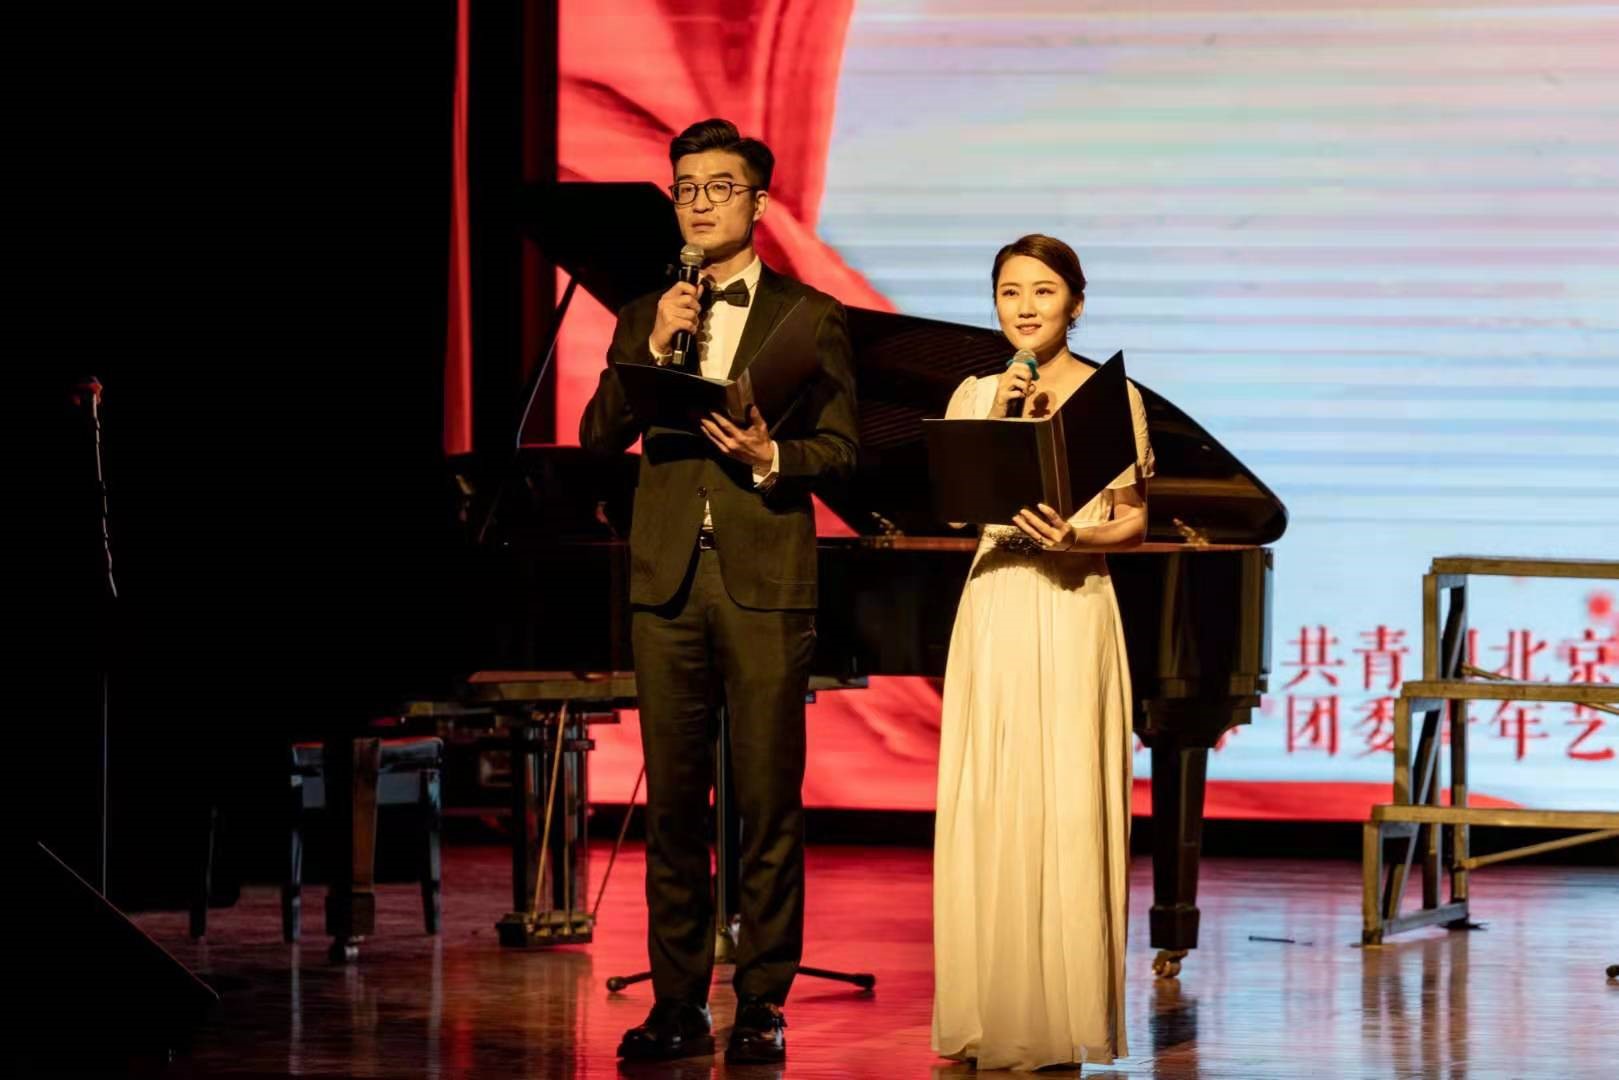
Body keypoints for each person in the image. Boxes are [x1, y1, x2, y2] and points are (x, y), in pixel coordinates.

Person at [579, 117, 858, 1065]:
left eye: (719, 187)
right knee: (672, 808)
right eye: (686, 188)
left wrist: (775, 456)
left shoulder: (808, 315)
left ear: (758, 202)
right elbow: (596, 437)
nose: (700, 203)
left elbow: (843, 449)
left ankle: (764, 1000)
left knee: (766, 801)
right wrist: (656, 345)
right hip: (667, 583)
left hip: (764, 580)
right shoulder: (644, 313)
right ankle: (678, 1002)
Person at [931, 234, 1154, 1072]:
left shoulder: (1110, 396)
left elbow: (1133, 519)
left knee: (1063, 798)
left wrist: (1077, 537)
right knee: (990, 795)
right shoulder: (974, 393)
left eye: (1043, 291)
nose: (1024, 308)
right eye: (1009, 292)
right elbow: (957, 510)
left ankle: (1057, 1018)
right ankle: (984, 1011)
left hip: (1072, 601)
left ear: (1076, 303)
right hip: (994, 598)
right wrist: (999, 415)